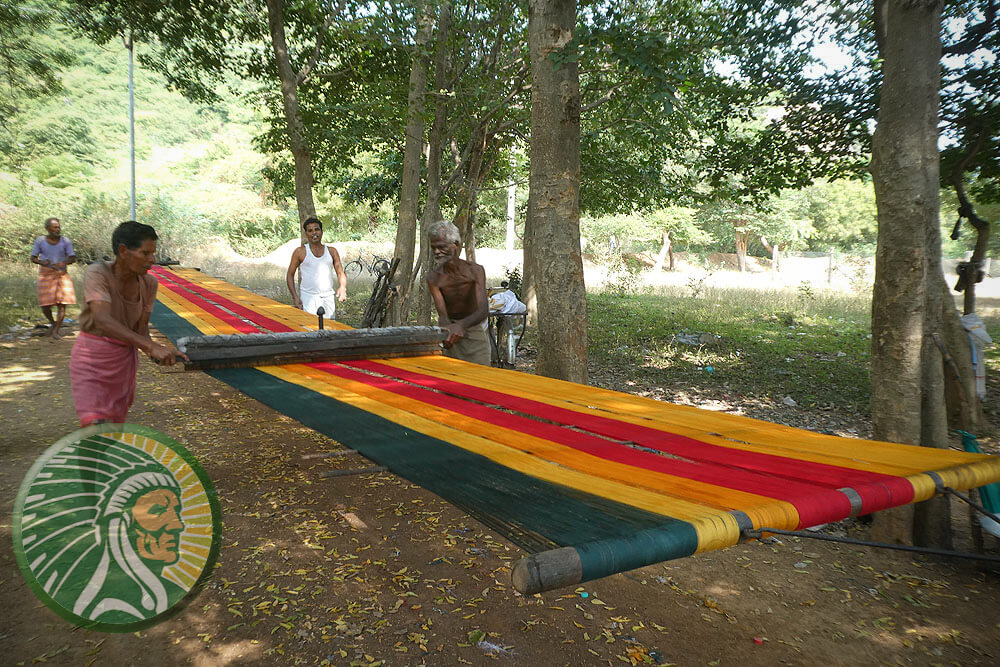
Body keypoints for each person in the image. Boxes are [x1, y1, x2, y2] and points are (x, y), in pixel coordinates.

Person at [69, 221, 185, 426]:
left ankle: (96, 459)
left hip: (123, 363)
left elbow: (140, 329)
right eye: (145, 253)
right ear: (123, 251)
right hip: (92, 359)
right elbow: (102, 320)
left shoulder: (149, 283)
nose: (152, 260)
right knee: (95, 425)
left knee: (112, 429)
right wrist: (150, 346)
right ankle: (88, 459)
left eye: (153, 253)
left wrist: (160, 352)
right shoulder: (98, 273)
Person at [426, 220, 490, 365]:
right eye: (434, 248)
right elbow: (442, 315)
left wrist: (461, 326)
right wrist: (448, 330)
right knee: (451, 383)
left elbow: (483, 310)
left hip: (473, 330)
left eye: (441, 247)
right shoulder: (434, 278)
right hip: (450, 332)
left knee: (482, 380)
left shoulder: (475, 271)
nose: (437, 252)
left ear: (456, 245)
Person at [286, 217, 347, 317]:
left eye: (317, 229)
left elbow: (340, 273)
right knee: (311, 329)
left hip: (328, 297)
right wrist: (295, 297)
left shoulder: (332, 251)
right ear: (306, 234)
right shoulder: (300, 252)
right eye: (310, 231)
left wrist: (343, 287)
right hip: (308, 297)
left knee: (329, 329)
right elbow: (290, 274)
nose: (314, 233)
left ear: (322, 232)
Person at [30, 217, 77, 338]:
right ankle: (54, 324)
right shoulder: (40, 241)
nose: (58, 229)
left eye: (59, 226)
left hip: (62, 275)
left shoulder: (65, 241)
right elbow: (33, 258)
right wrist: (42, 262)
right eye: (55, 227)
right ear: (47, 229)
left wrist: (63, 263)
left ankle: (55, 330)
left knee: (62, 304)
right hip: (46, 275)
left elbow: (72, 257)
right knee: (45, 306)